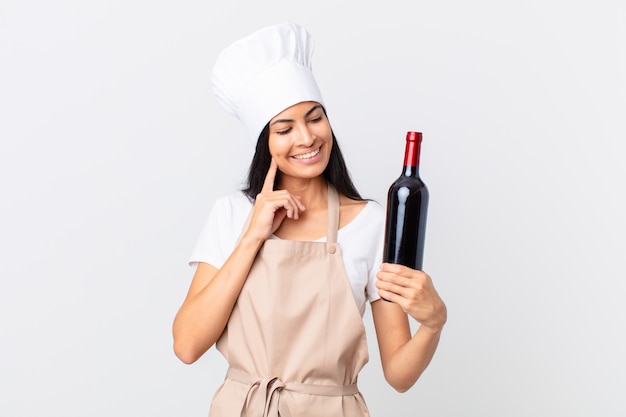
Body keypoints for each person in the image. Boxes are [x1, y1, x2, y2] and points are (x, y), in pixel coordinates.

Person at [172, 22, 447, 416]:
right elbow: (187, 345)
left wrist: (434, 324)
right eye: (285, 128)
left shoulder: (370, 223)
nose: (306, 138)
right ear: (265, 144)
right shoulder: (232, 214)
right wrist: (252, 237)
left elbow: (399, 375)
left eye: (315, 118)